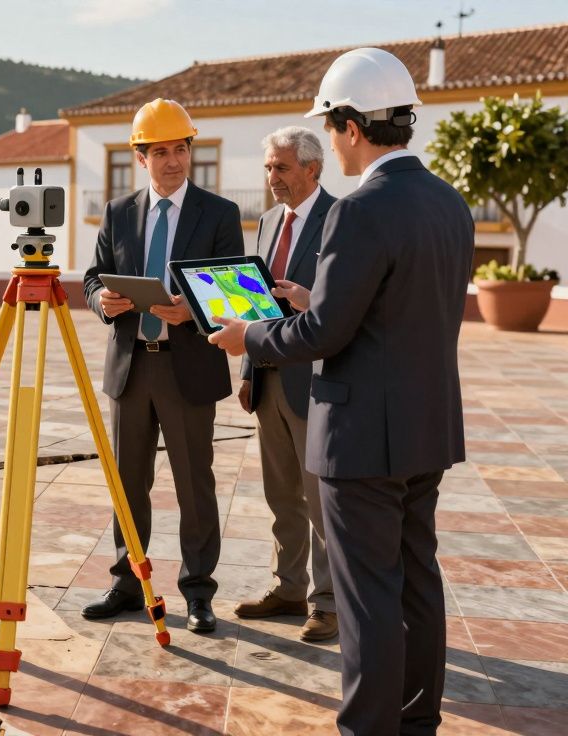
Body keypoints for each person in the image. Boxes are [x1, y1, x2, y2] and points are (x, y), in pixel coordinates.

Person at [208, 48, 473, 735]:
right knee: (418, 581)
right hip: (426, 427)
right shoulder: (450, 204)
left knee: (367, 598)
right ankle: (417, 721)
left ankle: (366, 726)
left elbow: (324, 334)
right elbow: (400, 311)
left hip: (361, 439)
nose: (329, 141)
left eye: (329, 127)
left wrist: (250, 337)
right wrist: (314, 300)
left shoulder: (358, 211)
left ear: (352, 127)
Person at [82, 98, 243, 633]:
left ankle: (198, 592)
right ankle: (128, 583)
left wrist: (191, 311)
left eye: (180, 149)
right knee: (128, 484)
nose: (173, 161)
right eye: (160, 152)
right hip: (131, 369)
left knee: (194, 486)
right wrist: (101, 300)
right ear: (141, 157)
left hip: (188, 367)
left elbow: (234, 293)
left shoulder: (219, 214)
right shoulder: (118, 212)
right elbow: (93, 276)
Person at [233, 127, 340, 642]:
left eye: (281, 168)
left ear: (312, 169)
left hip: (315, 381)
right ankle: (289, 588)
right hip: (267, 376)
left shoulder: (341, 218)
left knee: (321, 500)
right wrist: (247, 370)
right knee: (281, 494)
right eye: (268, 168)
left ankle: (329, 603)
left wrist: (309, 298)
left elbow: (343, 303)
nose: (272, 178)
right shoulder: (268, 221)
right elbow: (254, 301)